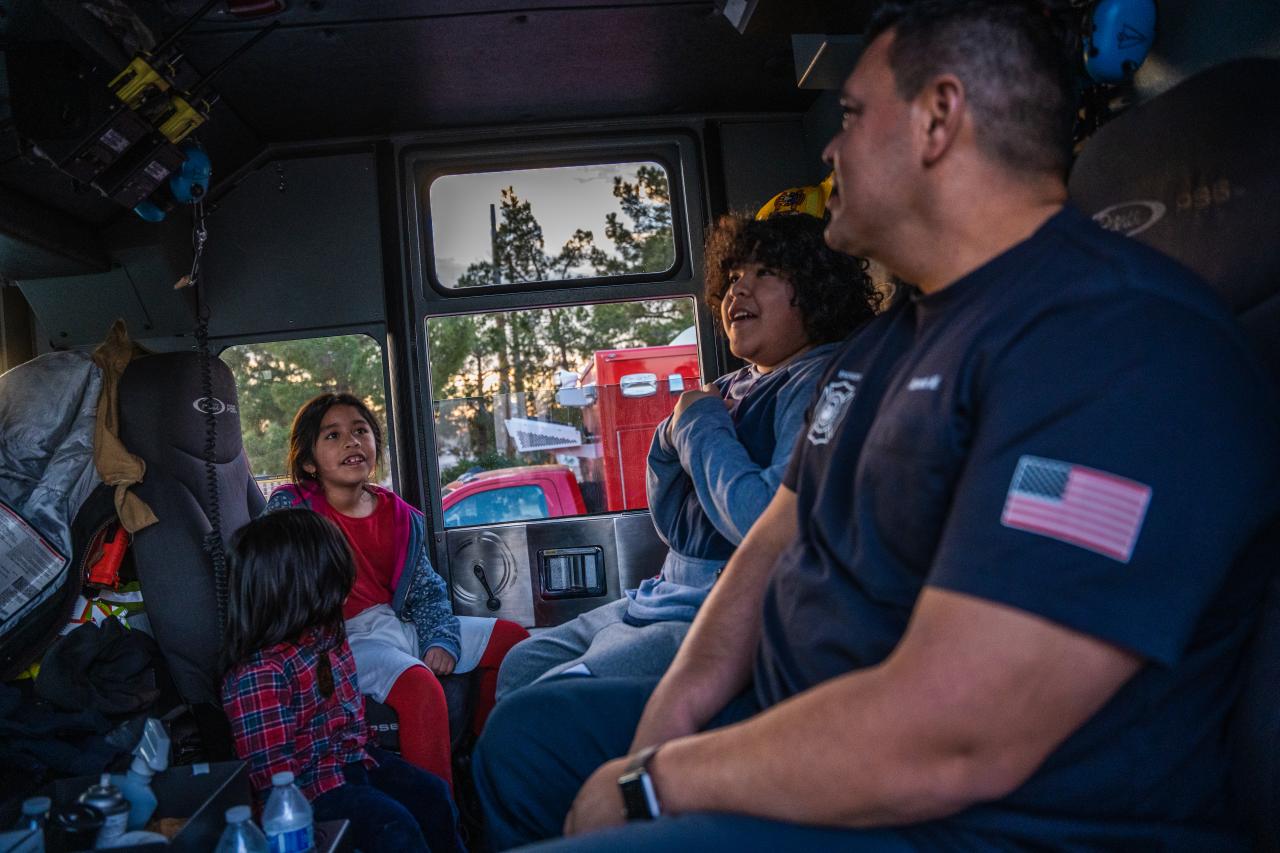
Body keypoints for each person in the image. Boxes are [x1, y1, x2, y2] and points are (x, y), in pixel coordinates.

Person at [472, 2, 1280, 850]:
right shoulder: (885, 345)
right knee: (525, 749)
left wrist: (656, 784)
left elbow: (961, 732)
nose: (829, 147)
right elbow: (771, 542)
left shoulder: (1118, 345)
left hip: (973, 815)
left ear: (938, 118)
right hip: (814, 716)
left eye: (851, 116)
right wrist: (663, 727)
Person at [495, 209, 880, 698]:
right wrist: (670, 436)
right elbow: (676, 523)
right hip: (664, 592)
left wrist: (696, 423)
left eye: (764, 274)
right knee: (523, 663)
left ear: (816, 288)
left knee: (542, 706)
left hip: (718, 608)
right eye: (735, 277)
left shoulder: (817, 384)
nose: (738, 290)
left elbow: (760, 521)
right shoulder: (730, 386)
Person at [267, 393, 528, 786]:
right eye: (333, 436)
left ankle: (482, 757)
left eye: (361, 431)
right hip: (342, 640)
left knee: (513, 640)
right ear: (308, 462)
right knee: (419, 687)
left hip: (397, 622)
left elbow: (425, 590)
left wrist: (440, 637)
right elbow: (272, 577)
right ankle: (442, 814)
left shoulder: (400, 516)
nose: (352, 442)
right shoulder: (293, 511)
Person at [220, 509, 464, 853]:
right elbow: (274, 782)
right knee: (392, 825)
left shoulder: (329, 639)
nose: (348, 587)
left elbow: (351, 726)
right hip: (309, 792)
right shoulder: (260, 676)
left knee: (433, 795)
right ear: (300, 588)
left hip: (353, 761)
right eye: (335, 579)